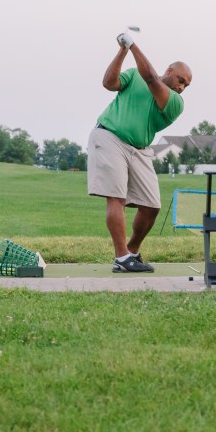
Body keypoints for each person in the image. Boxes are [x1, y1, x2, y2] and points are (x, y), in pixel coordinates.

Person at [88, 31, 192, 273]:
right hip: (109, 136)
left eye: (186, 84)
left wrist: (132, 45)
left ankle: (131, 250)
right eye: (181, 79)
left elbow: (150, 79)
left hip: (140, 149)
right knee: (117, 198)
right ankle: (122, 257)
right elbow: (108, 83)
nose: (182, 86)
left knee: (152, 206)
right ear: (169, 70)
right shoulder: (133, 75)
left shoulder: (175, 102)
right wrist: (122, 51)